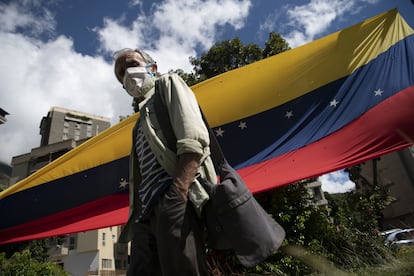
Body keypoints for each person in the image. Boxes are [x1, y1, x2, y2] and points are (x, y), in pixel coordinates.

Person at [113, 48, 217, 275]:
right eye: (121, 74)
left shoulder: (169, 85)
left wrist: (177, 194)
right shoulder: (137, 125)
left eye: (132, 64)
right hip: (144, 216)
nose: (127, 74)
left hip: (175, 201)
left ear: (152, 67)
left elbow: (194, 140)